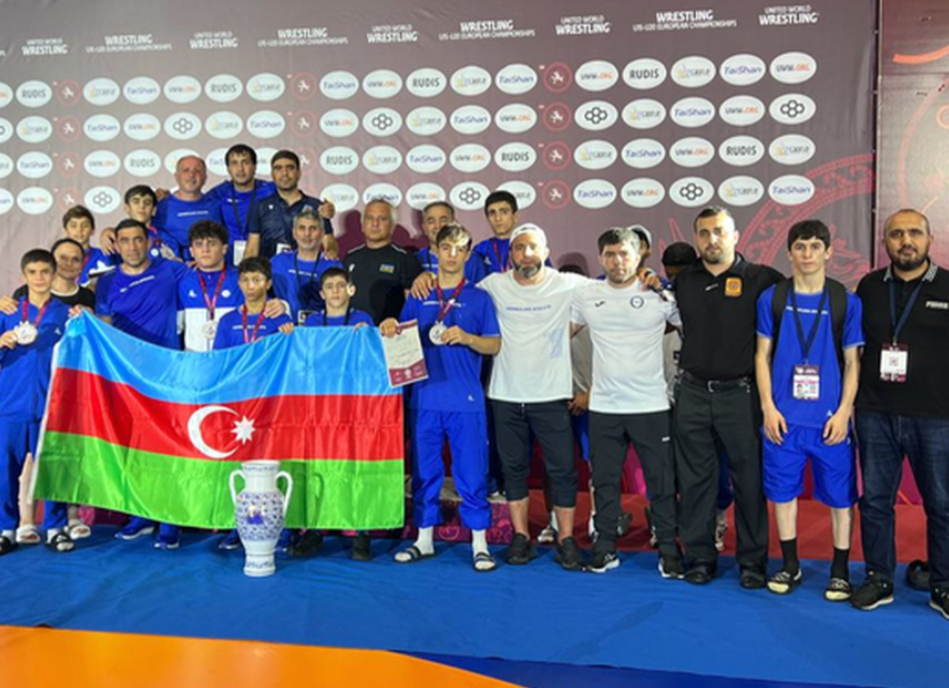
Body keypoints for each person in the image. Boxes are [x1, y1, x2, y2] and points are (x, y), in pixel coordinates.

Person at [381, 223, 501, 571]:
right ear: (435, 251)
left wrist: (468, 337)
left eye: (459, 249)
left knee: (472, 472)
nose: (451, 255)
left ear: (467, 254)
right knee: (425, 472)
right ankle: (424, 540)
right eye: (446, 247)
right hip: (424, 398)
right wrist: (389, 325)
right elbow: (400, 337)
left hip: (465, 400)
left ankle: (480, 544)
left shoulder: (479, 297)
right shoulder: (419, 294)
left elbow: (494, 344)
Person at [673, 206, 783, 587]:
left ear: (735, 236)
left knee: (749, 481)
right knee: (695, 482)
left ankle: (753, 562)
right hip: (692, 393)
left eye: (719, 231)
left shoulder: (763, 279)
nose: (712, 239)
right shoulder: (684, 280)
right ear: (696, 239)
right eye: (704, 233)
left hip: (742, 395)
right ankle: (700, 558)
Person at [755, 220, 863, 599]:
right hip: (783, 421)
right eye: (800, 246)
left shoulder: (846, 302)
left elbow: (852, 362)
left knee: (840, 499)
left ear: (828, 251)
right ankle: (789, 565)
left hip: (829, 422)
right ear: (789, 252)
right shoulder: (772, 299)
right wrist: (768, 408)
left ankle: (840, 571)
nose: (807, 254)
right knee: (782, 496)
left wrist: (844, 411)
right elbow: (761, 356)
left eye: (815, 246)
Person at [851, 208, 949, 620]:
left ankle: (943, 584)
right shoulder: (869, 287)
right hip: (876, 412)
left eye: (914, 233)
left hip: (936, 416)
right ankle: (879, 578)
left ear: (929, 239)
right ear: (885, 242)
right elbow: (854, 350)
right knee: (875, 501)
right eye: (896, 234)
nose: (905, 241)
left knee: (942, 504)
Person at [571, 227, 683, 576]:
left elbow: (696, 329)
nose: (617, 261)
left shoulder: (660, 295)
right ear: (601, 257)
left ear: (639, 256)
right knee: (604, 482)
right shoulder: (587, 295)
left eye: (624, 254)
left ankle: (669, 550)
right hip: (605, 407)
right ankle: (604, 548)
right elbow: (557, 336)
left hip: (651, 405)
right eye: (610, 254)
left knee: (661, 484)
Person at [479, 225, 587, 570]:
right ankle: (521, 536)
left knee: (563, 470)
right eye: (519, 248)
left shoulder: (568, 284)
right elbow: (457, 293)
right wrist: (424, 279)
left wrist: (646, 278)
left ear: (546, 252)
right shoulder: (493, 284)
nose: (526, 254)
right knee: (513, 469)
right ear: (510, 254)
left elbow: (613, 290)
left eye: (533, 248)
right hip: (505, 394)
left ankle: (566, 538)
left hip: (551, 395)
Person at [96, 219, 188, 547]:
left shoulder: (171, 270)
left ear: (149, 241)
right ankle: (141, 513)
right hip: (128, 377)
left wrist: (279, 303)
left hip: (167, 374)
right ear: (117, 245)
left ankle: (170, 518)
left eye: (138, 239)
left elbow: (214, 276)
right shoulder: (106, 282)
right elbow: (104, 330)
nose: (133, 247)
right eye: (125, 240)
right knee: (134, 448)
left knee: (168, 446)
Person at [656, 242, 731, 552]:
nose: (675, 282)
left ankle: (718, 519)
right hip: (669, 399)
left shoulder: (713, 298)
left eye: (680, 276)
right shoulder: (661, 302)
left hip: (710, 396)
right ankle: (671, 523)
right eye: (670, 276)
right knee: (672, 468)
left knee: (717, 466)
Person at [0, 249, 74, 555]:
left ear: (54, 274)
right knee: (5, 472)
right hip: (10, 407)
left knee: (52, 470)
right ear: (24, 275)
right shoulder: (7, 312)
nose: (39, 277)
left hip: (51, 407)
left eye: (45, 271)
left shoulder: (66, 314)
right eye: (33, 272)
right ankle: (6, 529)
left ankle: (56, 529)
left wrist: (85, 317)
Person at [245, 150, 335, 259]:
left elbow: (329, 243)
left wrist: (331, 253)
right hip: (269, 268)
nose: (284, 173)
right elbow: (252, 249)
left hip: (306, 268)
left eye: (290, 168)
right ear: (272, 174)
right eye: (278, 168)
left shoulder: (317, 207)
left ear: (299, 173)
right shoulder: (260, 207)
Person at [344, 199, 422, 324]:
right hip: (354, 331)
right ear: (362, 225)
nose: (375, 224)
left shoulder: (405, 258)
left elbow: (413, 306)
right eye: (370, 218)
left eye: (382, 219)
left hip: (390, 332)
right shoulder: (350, 258)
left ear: (392, 226)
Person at [177, 221, 243, 353]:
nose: (205, 250)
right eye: (199, 244)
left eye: (211, 243)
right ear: (192, 251)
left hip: (231, 358)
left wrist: (281, 306)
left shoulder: (241, 280)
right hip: (195, 359)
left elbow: (262, 311)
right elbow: (176, 327)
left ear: (224, 248)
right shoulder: (183, 282)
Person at [206, 144, 276, 265]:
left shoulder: (270, 190)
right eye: (234, 163)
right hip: (227, 262)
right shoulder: (218, 194)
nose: (240, 169)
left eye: (245, 162)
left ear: (254, 166)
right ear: (228, 168)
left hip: (266, 259)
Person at [271, 209, 343, 324]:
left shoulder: (333, 266)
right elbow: (260, 294)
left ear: (322, 233)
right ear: (294, 233)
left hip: (322, 330)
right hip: (284, 328)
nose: (307, 234)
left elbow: (342, 304)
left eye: (313, 228)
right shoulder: (278, 262)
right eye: (302, 228)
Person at [153, 156, 226, 261]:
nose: (191, 175)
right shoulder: (161, 206)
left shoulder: (217, 205)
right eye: (186, 170)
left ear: (205, 178)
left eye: (197, 171)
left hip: (209, 267)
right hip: (173, 267)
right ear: (176, 176)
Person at [416, 201, 487, 283]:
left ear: (453, 224)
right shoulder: (416, 259)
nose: (438, 226)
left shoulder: (472, 259)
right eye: (431, 221)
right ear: (424, 228)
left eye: (443, 220)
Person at [61, 205, 114, 288]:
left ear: (93, 230)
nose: (79, 230)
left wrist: (110, 231)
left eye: (85, 225)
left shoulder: (105, 255)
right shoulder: (57, 261)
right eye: (73, 226)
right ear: (65, 230)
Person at [303, 268, 374, 328]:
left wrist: (368, 334)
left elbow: (374, 340)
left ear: (351, 290)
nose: (335, 290)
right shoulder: (312, 322)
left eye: (341, 285)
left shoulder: (363, 319)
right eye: (329, 287)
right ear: (322, 294)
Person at [473, 191, 520, 275]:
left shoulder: (529, 247)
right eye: (492, 213)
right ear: (487, 218)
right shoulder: (480, 249)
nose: (498, 218)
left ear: (515, 216)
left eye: (504, 212)